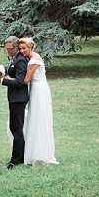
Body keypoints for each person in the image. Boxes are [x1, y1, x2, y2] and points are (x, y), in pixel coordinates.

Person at [19, 37, 58, 165]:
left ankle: (40, 154)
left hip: (39, 91)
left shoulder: (34, 60)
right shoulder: (31, 58)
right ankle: (34, 151)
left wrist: (8, 77)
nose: (22, 51)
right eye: (20, 49)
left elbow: (26, 79)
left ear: (30, 47)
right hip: (36, 89)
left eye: (24, 48)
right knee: (35, 118)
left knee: (39, 118)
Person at [0, 35, 29, 168]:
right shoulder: (14, 59)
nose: (7, 51)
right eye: (6, 49)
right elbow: (12, 73)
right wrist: (2, 72)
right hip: (14, 98)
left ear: (15, 47)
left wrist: (1, 80)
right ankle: (20, 157)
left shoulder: (20, 60)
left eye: (9, 49)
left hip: (19, 99)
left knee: (16, 129)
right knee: (15, 128)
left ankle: (16, 160)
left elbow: (19, 81)